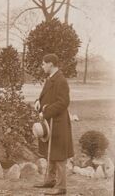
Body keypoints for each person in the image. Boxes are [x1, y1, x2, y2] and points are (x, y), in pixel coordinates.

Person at [33, 53, 74, 195]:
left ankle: (61, 187)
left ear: (50, 64)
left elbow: (63, 102)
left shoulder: (61, 80)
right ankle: (50, 181)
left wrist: (46, 112)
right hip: (49, 122)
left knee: (59, 154)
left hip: (58, 122)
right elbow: (46, 97)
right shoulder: (50, 79)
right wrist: (38, 101)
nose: (42, 66)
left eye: (44, 63)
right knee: (50, 152)